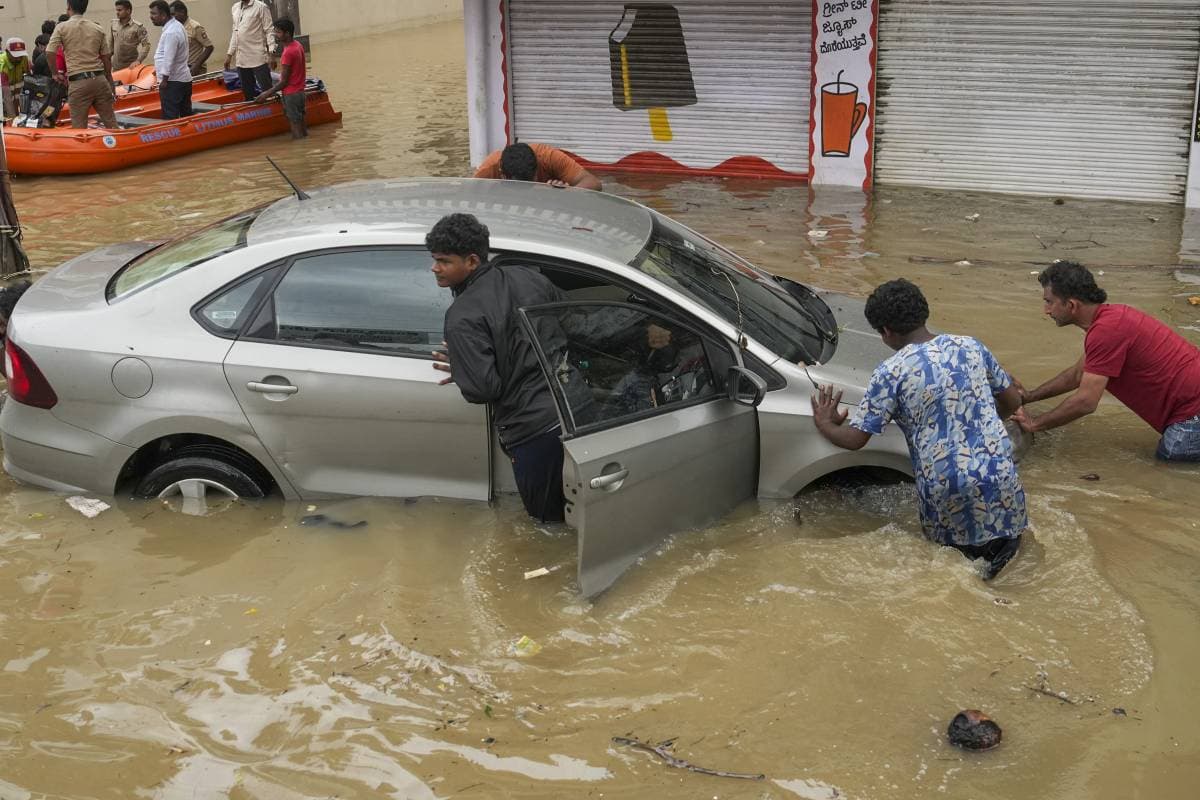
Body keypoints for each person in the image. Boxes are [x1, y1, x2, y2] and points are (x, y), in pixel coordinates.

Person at [810, 279, 1026, 579]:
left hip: (945, 486)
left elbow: (856, 439)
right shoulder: (971, 346)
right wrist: (983, 420)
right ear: (924, 312)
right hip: (999, 473)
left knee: (957, 574)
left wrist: (824, 423)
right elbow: (1013, 400)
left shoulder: (889, 372)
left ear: (885, 332)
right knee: (1008, 568)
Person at [427, 212, 569, 523]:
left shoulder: (462, 315)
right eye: (434, 259)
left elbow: (482, 388)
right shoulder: (529, 277)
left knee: (547, 525)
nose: (434, 268)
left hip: (531, 431)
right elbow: (568, 323)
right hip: (572, 410)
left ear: (473, 261)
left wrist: (466, 366)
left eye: (444, 261)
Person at [1015, 260, 1200, 461]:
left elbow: (1086, 402)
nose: (1046, 310)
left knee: (1169, 466)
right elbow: (1078, 374)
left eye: (1049, 302)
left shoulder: (1106, 331)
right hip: (1191, 408)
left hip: (1191, 415)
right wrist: (1030, 396)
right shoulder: (1112, 318)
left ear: (1071, 305)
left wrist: (1035, 424)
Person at [47, 0, 118, 130]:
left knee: (79, 129)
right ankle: (119, 146)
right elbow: (106, 58)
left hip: (78, 82)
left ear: (68, 6)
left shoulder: (62, 27)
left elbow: (50, 51)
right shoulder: (97, 28)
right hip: (99, 80)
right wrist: (110, 82)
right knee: (111, 122)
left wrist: (55, 73)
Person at [474, 142, 603, 190]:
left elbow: (594, 183)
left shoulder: (547, 156)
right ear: (503, 176)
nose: (524, 193)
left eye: (530, 185)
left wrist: (566, 193)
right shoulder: (488, 169)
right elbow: (470, 197)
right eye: (520, 187)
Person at [254, 18, 305, 138]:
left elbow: (284, 82)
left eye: (278, 32)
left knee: (295, 126)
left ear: (287, 33)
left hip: (291, 95)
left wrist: (266, 93)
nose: (276, 35)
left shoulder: (287, 53)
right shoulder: (298, 45)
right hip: (300, 92)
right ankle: (305, 149)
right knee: (302, 124)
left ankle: (300, 152)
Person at [224, 0, 274, 102]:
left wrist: (271, 53)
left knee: (267, 89)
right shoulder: (235, 8)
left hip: (258, 57)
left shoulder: (261, 7)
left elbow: (269, 31)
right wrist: (229, 55)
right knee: (247, 92)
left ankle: (273, 109)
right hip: (241, 59)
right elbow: (235, 33)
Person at [148, 0, 190, 119]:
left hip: (172, 82)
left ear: (163, 15)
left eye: (153, 14)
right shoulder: (177, 25)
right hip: (181, 79)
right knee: (185, 114)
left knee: (170, 116)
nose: (151, 17)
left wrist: (164, 80)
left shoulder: (171, 32)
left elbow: (168, 58)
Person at [169, 1, 213, 78]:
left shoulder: (195, 27)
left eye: (173, 14)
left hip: (194, 69)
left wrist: (197, 65)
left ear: (182, 12)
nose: (172, 18)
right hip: (180, 69)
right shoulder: (175, 27)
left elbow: (209, 47)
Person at [108, 0, 149, 72]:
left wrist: (138, 60)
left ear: (128, 11)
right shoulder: (113, 24)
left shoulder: (138, 27)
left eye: (120, 10)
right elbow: (111, 44)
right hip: (116, 67)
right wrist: (107, 58)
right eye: (116, 10)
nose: (117, 12)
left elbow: (146, 45)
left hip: (131, 68)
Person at [0, 38, 31, 118]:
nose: (18, 58)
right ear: (7, 52)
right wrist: (13, 119)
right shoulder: (2, 64)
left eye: (20, 55)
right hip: (4, 99)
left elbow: (30, 78)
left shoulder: (24, 59)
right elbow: (7, 96)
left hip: (17, 99)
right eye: (15, 56)